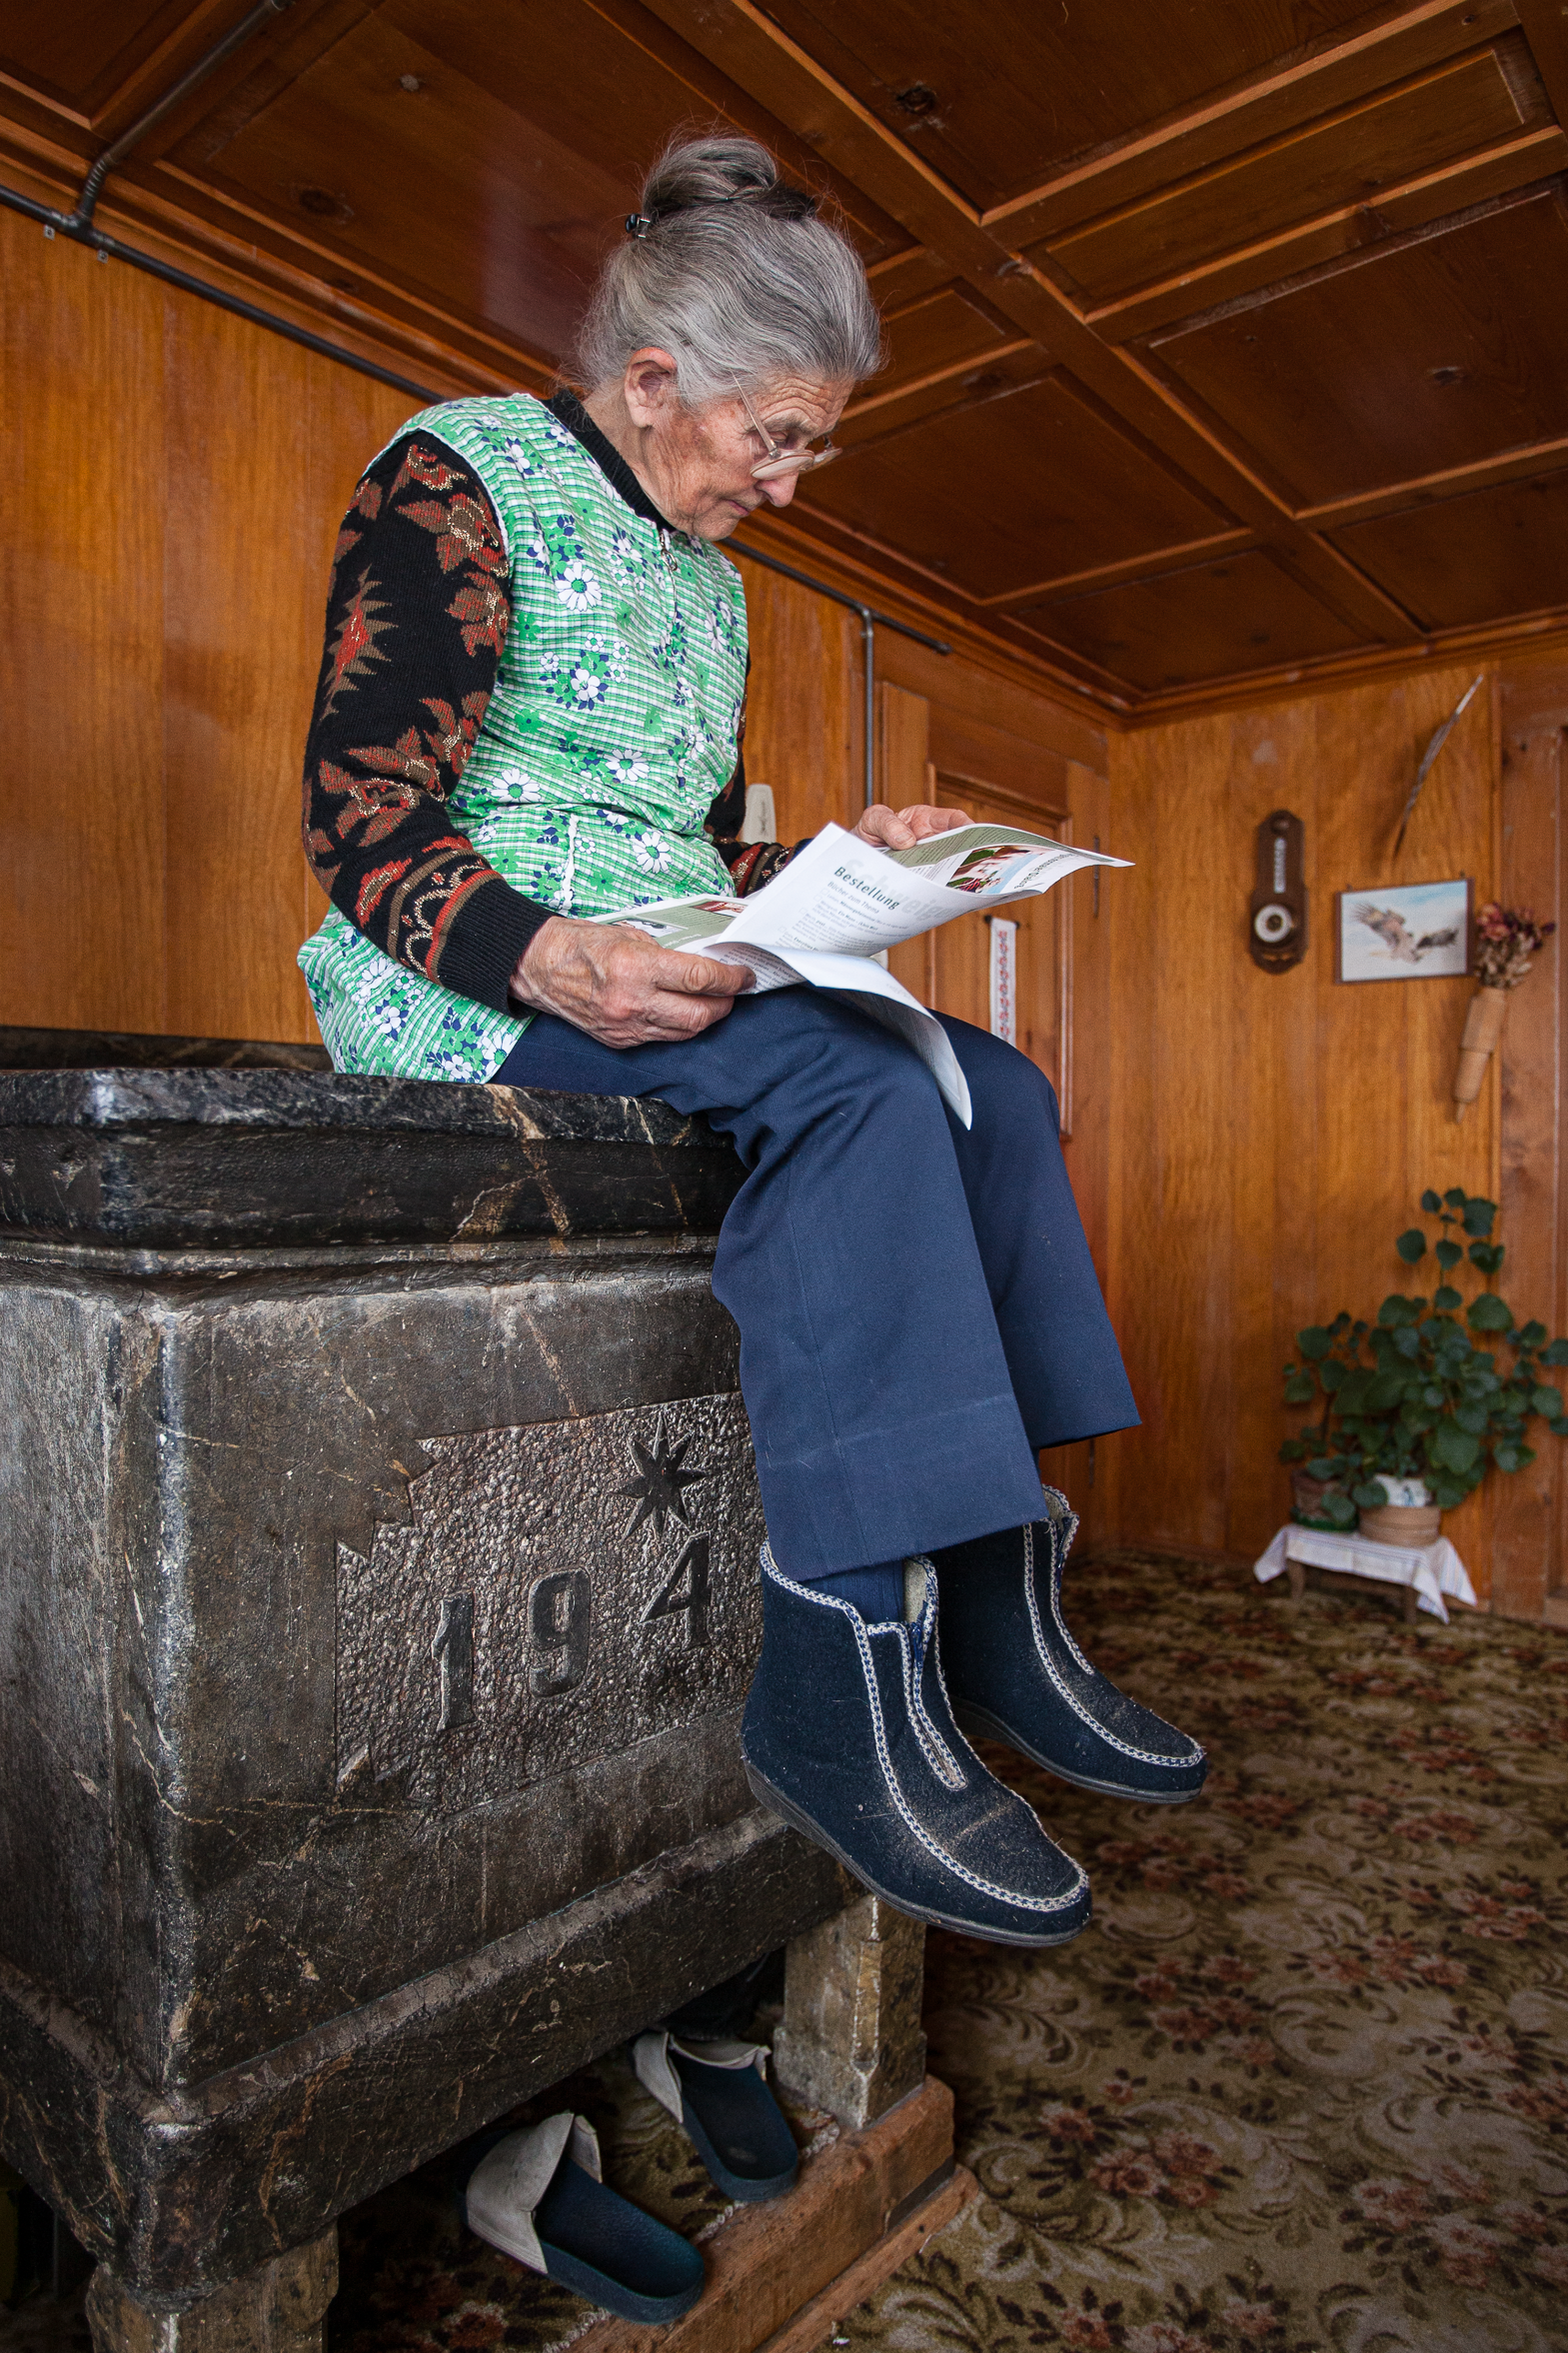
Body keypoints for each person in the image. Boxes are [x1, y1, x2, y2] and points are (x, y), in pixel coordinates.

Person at [298, 132, 1204, 1948]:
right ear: (652, 386)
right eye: (770, 438)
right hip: (471, 983)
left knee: (995, 1085)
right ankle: (840, 1668)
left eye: (812, 446)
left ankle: (1000, 1591)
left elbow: (682, 853)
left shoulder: (715, 587)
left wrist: (828, 871)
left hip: (657, 956)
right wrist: (546, 958)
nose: (787, 483)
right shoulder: (452, 479)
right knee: (865, 1089)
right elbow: (361, 817)